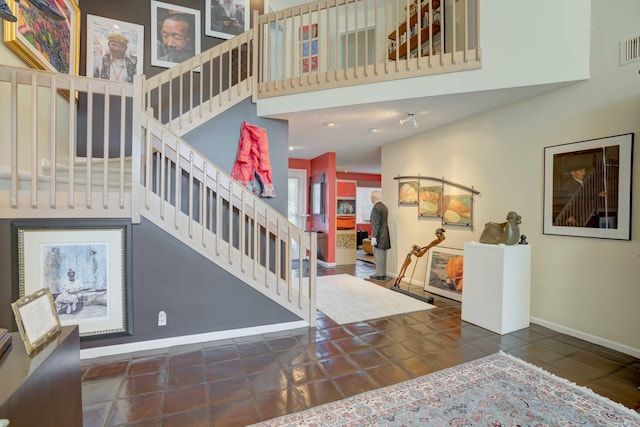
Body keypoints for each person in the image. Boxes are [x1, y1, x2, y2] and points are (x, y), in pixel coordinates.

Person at [369, 190, 390, 281]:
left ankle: (380, 275)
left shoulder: (376, 208)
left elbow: (375, 224)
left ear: (373, 198)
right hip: (385, 234)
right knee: (383, 256)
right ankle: (381, 273)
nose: (371, 199)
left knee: (378, 255)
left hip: (379, 236)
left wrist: (373, 237)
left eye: (371, 197)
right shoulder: (384, 207)